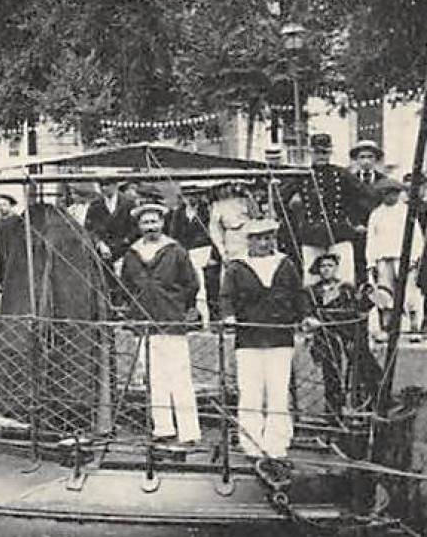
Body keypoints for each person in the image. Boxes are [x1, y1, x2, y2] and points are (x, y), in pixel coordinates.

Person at [219, 217, 309, 460]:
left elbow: (298, 294)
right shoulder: (237, 267)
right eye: (258, 238)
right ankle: (251, 442)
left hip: (280, 337)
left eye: (268, 238)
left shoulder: (285, 264)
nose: (263, 243)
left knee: (278, 392)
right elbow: (226, 297)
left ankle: (276, 444)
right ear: (250, 241)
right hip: (249, 339)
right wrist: (228, 317)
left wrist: (306, 317)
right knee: (250, 392)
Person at [120, 202, 202, 446]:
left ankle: (189, 432)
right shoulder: (132, 254)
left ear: (162, 223)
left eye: (154, 222)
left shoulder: (175, 251)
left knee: (179, 376)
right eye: (145, 223)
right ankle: (163, 428)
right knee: (154, 378)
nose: (150, 227)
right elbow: (126, 286)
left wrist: (177, 306)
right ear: (139, 226)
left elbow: (191, 284)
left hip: (171, 321)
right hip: (145, 322)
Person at [304, 251, 381, 421]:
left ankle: (373, 402)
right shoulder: (311, 291)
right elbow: (307, 312)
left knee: (361, 364)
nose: (326, 270)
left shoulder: (346, 288)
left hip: (347, 334)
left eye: (330, 266)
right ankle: (333, 413)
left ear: (336, 268)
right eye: (322, 266)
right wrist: (311, 320)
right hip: (325, 336)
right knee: (331, 372)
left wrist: (370, 297)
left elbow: (358, 308)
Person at [287, 132, 364, 283]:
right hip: (312, 235)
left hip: (339, 233)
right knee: (311, 279)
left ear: (330, 152)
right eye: (317, 152)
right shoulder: (302, 175)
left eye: (325, 152)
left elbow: (363, 196)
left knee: (344, 277)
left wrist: (357, 221)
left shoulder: (341, 174)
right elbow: (282, 199)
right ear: (310, 152)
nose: (321, 156)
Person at [365, 175, 416, 337]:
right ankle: (387, 326)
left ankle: (412, 325)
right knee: (385, 293)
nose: (390, 196)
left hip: (403, 258)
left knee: (408, 292)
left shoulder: (406, 212)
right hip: (383, 258)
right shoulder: (376, 214)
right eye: (386, 193)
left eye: (393, 193)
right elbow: (371, 239)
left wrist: (414, 258)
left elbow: (415, 236)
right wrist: (371, 262)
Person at [167, 187, 216, 325]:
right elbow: (174, 233)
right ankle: (191, 317)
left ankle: (207, 319)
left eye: (194, 195)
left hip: (203, 250)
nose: (191, 199)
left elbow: (211, 233)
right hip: (184, 251)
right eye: (188, 195)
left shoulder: (206, 211)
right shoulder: (178, 213)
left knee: (203, 285)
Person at [347, 139, 388, 275]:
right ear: (356, 160)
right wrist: (354, 224)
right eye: (362, 157)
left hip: (379, 232)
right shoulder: (349, 180)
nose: (366, 161)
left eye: (370, 157)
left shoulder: (384, 181)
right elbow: (346, 206)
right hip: (357, 233)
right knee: (357, 267)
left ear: (376, 159)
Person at [83, 178, 135, 263]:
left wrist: (124, 243)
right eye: (101, 185)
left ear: (115, 185)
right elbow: (89, 229)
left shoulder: (128, 204)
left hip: (124, 252)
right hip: (102, 254)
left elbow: (135, 229)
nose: (104, 188)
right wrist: (99, 243)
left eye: (107, 185)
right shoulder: (94, 205)